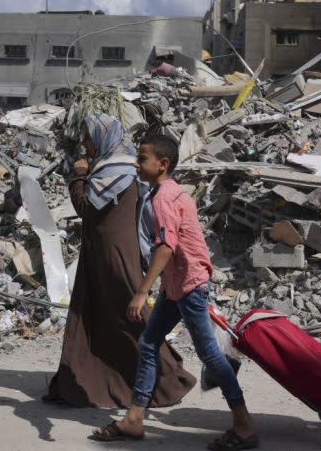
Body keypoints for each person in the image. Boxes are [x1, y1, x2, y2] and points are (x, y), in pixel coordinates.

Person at [91, 134, 259, 451]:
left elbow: (166, 248)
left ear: (163, 164)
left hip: (189, 285)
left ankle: (244, 423)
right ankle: (134, 418)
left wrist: (141, 292)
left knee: (210, 354)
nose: (136, 163)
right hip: (176, 284)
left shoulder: (163, 199)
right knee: (150, 342)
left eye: (142, 158)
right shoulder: (172, 191)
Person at [44, 114, 195, 408]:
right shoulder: (118, 165)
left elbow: (85, 207)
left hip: (114, 252)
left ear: (103, 138)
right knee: (97, 314)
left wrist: (77, 175)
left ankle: (167, 380)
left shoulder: (116, 168)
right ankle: (92, 380)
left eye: (89, 138)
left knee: (130, 313)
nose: (86, 144)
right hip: (101, 251)